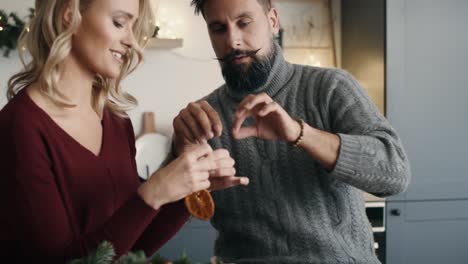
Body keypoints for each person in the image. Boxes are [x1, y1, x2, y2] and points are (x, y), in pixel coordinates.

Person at [0, 0, 248, 262]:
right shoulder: (20, 127)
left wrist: (189, 184)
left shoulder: (117, 123)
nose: (132, 40)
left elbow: (132, 249)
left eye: (133, 25)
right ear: (69, 16)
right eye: (119, 22)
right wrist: (152, 192)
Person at [171, 0, 411, 263]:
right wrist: (180, 153)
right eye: (218, 28)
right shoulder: (202, 121)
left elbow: (395, 174)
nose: (233, 40)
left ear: (272, 21)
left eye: (244, 23)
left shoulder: (331, 87)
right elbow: (169, 216)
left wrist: (299, 133)